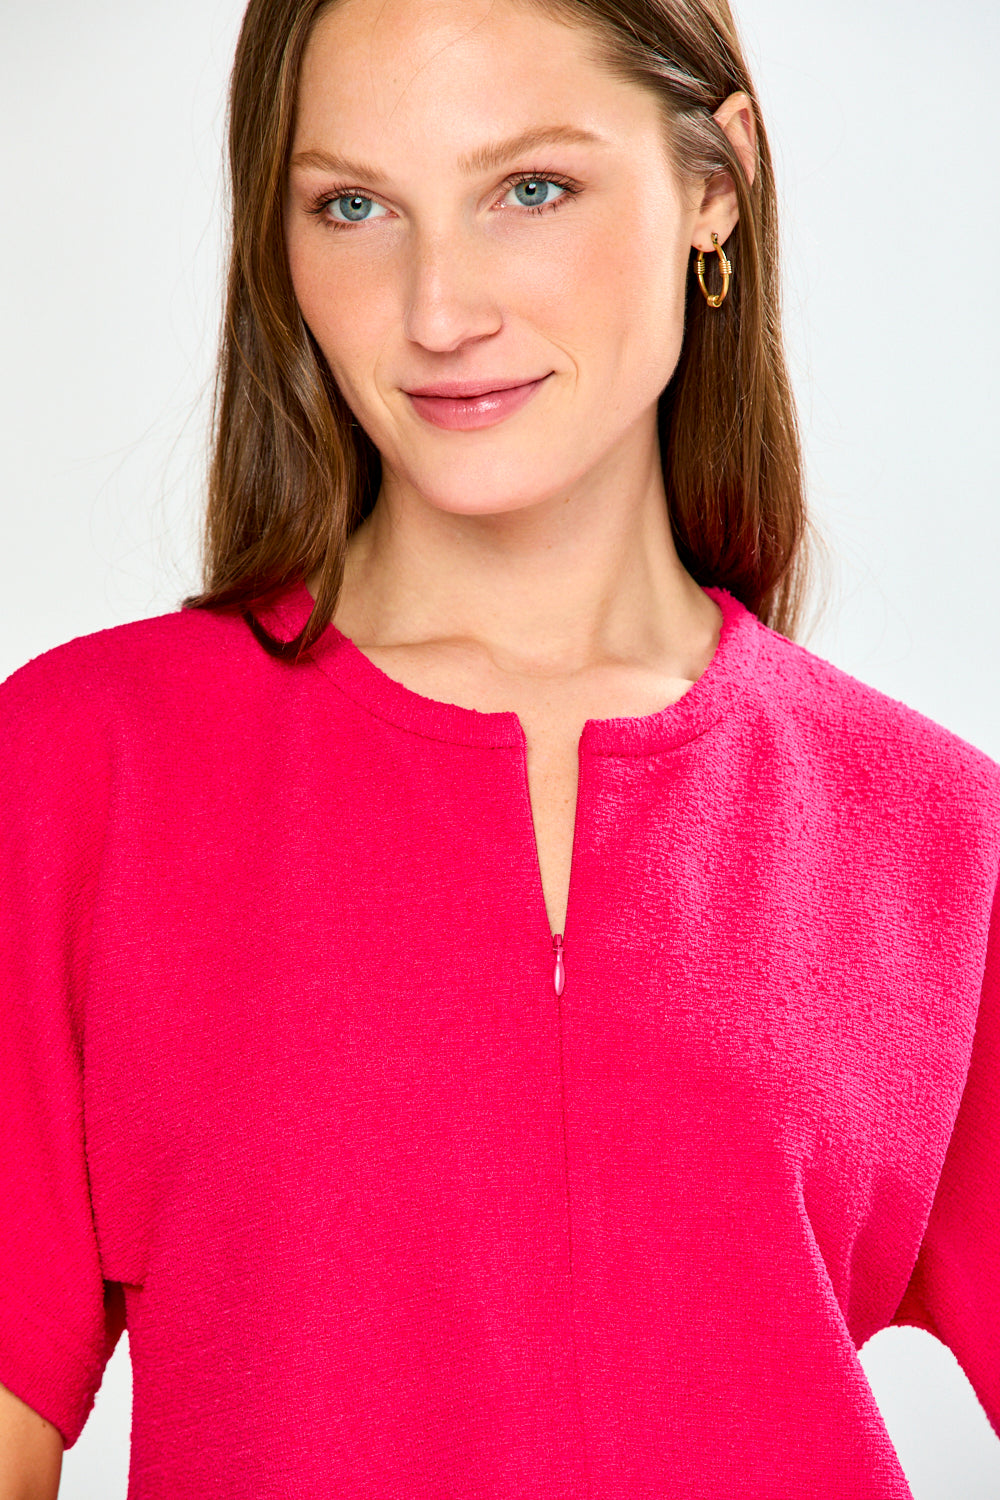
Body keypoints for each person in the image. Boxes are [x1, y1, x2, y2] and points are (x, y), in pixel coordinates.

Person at [1, 0, 997, 1495]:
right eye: (353, 206)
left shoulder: (935, 834)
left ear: (714, 183)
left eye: (531, 188)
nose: (437, 310)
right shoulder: (80, 772)